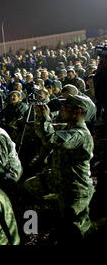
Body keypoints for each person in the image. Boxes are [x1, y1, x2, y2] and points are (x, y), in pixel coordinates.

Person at [24, 95, 94, 244]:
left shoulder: (79, 134)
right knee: (28, 188)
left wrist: (45, 117)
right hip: (57, 178)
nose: (62, 110)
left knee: (74, 229)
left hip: (74, 187)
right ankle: (31, 228)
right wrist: (40, 117)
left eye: (66, 107)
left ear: (77, 112)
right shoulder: (67, 128)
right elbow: (44, 133)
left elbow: (51, 140)